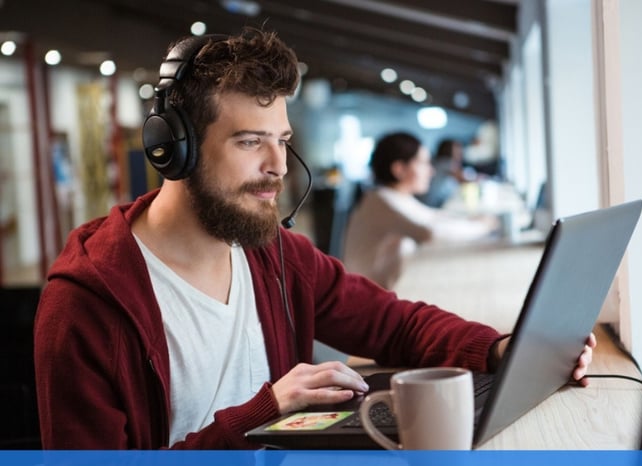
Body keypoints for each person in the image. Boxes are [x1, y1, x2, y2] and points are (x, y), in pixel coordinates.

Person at [33, 28, 596, 450]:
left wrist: (501, 349)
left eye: (282, 139)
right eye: (251, 141)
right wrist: (266, 410)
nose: (278, 166)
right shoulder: (86, 307)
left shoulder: (271, 253)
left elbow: (394, 323)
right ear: (173, 149)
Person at [342, 132, 498, 290]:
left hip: (383, 290)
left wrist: (473, 220)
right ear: (399, 169)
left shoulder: (391, 196)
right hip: (369, 302)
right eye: (424, 163)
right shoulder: (382, 201)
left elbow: (432, 216)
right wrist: (483, 226)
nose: (431, 171)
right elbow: (430, 232)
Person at [418, 138, 469, 208]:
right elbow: (463, 179)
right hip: (432, 203)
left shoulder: (437, 161)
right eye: (457, 148)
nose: (460, 151)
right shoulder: (446, 163)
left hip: (425, 201)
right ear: (449, 150)